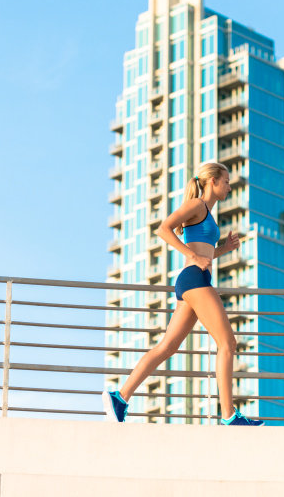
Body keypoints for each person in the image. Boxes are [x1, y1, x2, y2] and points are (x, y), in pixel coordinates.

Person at [102, 162, 264, 426]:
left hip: (192, 280)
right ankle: (229, 416)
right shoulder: (198, 205)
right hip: (194, 280)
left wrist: (223, 249)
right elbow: (163, 228)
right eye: (226, 181)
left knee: (167, 347)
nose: (229, 186)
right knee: (227, 344)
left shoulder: (207, 213)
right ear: (212, 181)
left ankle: (120, 398)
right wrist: (191, 255)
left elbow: (204, 252)